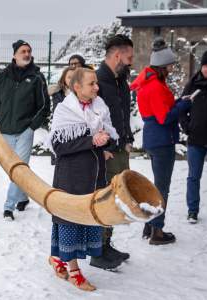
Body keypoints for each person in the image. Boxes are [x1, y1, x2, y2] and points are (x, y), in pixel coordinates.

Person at [48, 67, 119, 291]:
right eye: (92, 84)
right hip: (70, 178)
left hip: (94, 176)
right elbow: (58, 146)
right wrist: (91, 141)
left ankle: (58, 258)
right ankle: (74, 271)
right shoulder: (64, 111)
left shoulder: (100, 107)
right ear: (76, 87)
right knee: (69, 221)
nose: (97, 87)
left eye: (96, 83)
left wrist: (105, 140)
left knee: (85, 220)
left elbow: (111, 138)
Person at [130, 37, 191, 245]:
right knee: (162, 188)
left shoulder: (149, 83)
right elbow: (165, 117)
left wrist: (177, 102)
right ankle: (157, 232)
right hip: (161, 140)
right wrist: (183, 106)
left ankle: (150, 224)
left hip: (154, 138)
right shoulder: (155, 86)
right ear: (162, 66)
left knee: (157, 186)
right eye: (171, 65)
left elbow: (161, 109)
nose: (173, 67)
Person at [0, 39, 50, 220]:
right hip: (4, 130)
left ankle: (9, 207)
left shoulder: (37, 78)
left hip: (24, 131)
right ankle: (23, 196)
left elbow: (44, 106)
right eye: (23, 51)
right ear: (14, 55)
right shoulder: (2, 76)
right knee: (12, 170)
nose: (27, 54)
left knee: (19, 168)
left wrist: (31, 127)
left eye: (29, 51)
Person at [91, 34, 134, 270]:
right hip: (106, 153)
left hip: (120, 149)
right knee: (105, 198)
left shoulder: (120, 81)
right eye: (129, 57)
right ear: (117, 55)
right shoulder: (97, 81)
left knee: (116, 198)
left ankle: (106, 245)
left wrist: (127, 139)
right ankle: (98, 251)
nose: (131, 62)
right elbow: (90, 118)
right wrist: (103, 148)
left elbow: (122, 115)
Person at [179, 50, 207, 224]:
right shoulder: (193, 84)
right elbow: (182, 108)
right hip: (196, 140)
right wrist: (187, 127)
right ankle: (192, 210)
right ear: (201, 67)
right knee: (194, 176)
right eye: (206, 66)